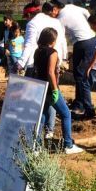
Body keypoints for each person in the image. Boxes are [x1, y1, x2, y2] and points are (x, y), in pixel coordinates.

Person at [31, 27, 84, 155]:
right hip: (50, 88)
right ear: (52, 40)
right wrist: (55, 90)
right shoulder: (53, 53)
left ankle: (36, 147)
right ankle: (68, 145)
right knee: (66, 114)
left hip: (41, 87)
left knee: (42, 117)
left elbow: (39, 70)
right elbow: (50, 72)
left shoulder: (37, 51)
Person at [53, 0, 95, 113]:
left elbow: (61, 39)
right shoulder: (71, 6)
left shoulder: (60, 19)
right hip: (91, 39)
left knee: (80, 75)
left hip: (81, 43)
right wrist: (89, 26)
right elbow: (86, 12)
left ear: (56, 8)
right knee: (80, 74)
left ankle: (84, 106)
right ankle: (79, 102)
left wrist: (63, 58)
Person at [19, 2, 66, 75]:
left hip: (36, 64)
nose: (26, 20)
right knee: (52, 85)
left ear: (28, 15)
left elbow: (29, 45)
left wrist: (21, 63)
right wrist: (63, 59)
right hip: (55, 62)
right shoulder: (56, 22)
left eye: (26, 18)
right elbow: (63, 41)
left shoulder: (32, 23)